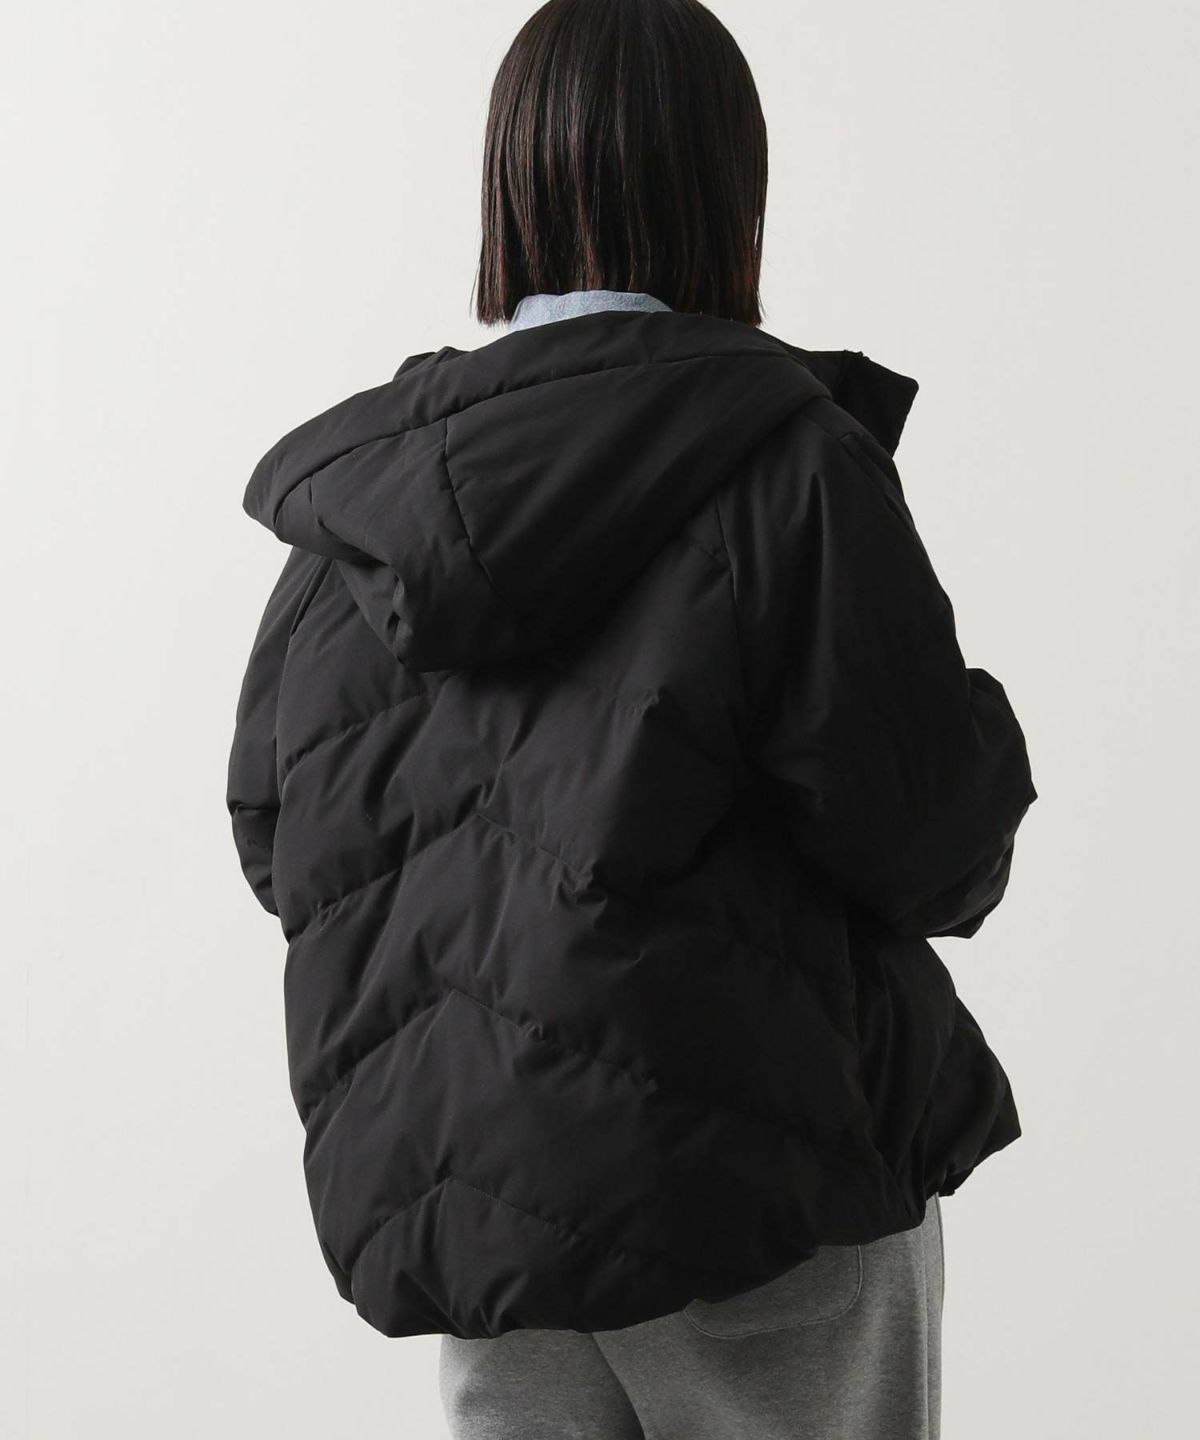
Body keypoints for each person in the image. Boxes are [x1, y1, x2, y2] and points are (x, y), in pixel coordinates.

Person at [226, 1, 1036, 1435]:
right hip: (767, 1207)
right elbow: (926, 837)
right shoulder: (787, 466)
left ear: (512, 190)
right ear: (729, 194)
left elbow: (274, 837)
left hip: (485, 1215)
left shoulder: (356, 523)